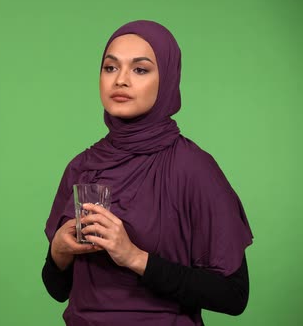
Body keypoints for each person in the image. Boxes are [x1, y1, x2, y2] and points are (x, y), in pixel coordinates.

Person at [41, 20, 253, 326]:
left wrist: (134, 257)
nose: (121, 81)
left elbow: (234, 296)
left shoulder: (192, 168)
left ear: (166, 78)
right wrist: (59, 251)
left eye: (140, 69)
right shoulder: (82, 166)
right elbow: (58, 288)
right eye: (110, 68)